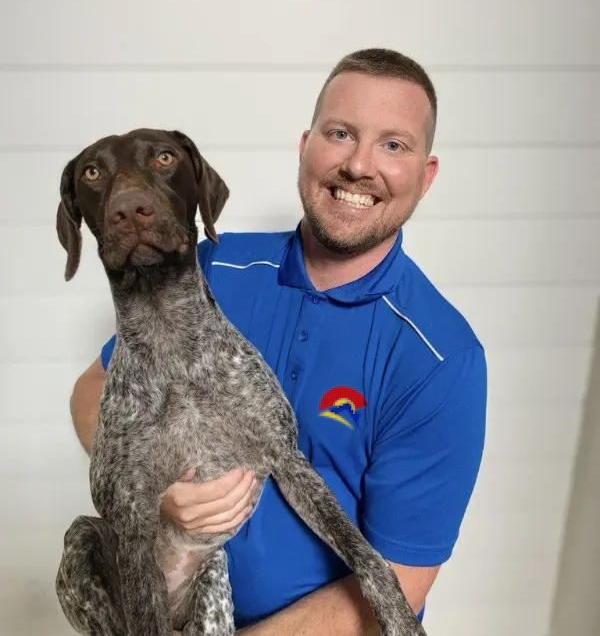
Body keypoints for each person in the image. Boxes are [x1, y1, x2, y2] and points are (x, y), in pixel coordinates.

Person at [70, 47, 487, 634]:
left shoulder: (441, 358)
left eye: (393, 145)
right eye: (340, 133)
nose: (359, 165)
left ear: (426, 175)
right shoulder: (209, 268)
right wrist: (155, 493)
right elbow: (94, 390)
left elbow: (404, 576)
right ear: (306, 145)